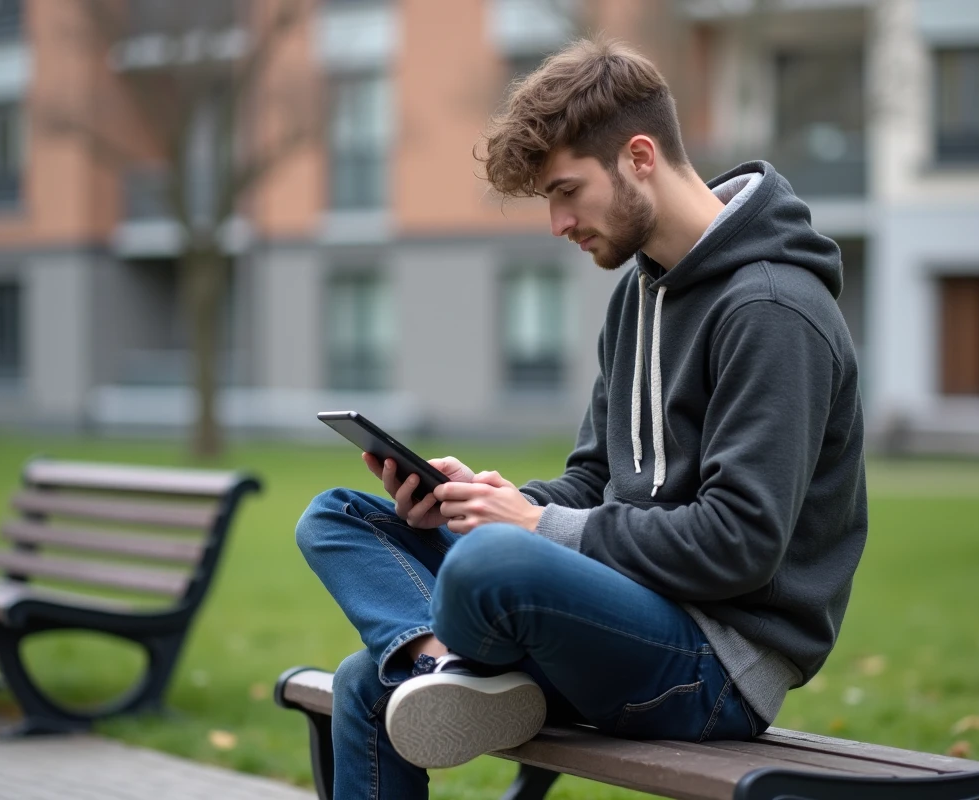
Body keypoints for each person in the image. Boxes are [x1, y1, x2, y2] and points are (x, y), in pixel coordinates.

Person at [295, 37, 867, 799]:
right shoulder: (638, 296)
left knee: (488, 563)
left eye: (567, 191)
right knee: (342, 542)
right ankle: (440, 664)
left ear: (638, 157)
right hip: (616, 613)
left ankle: (451, 665)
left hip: (716, 664)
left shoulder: (770, 309)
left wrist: (529, 531)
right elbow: (597, 480)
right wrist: (496, 500)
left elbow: (740, 545)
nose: (558, 223)